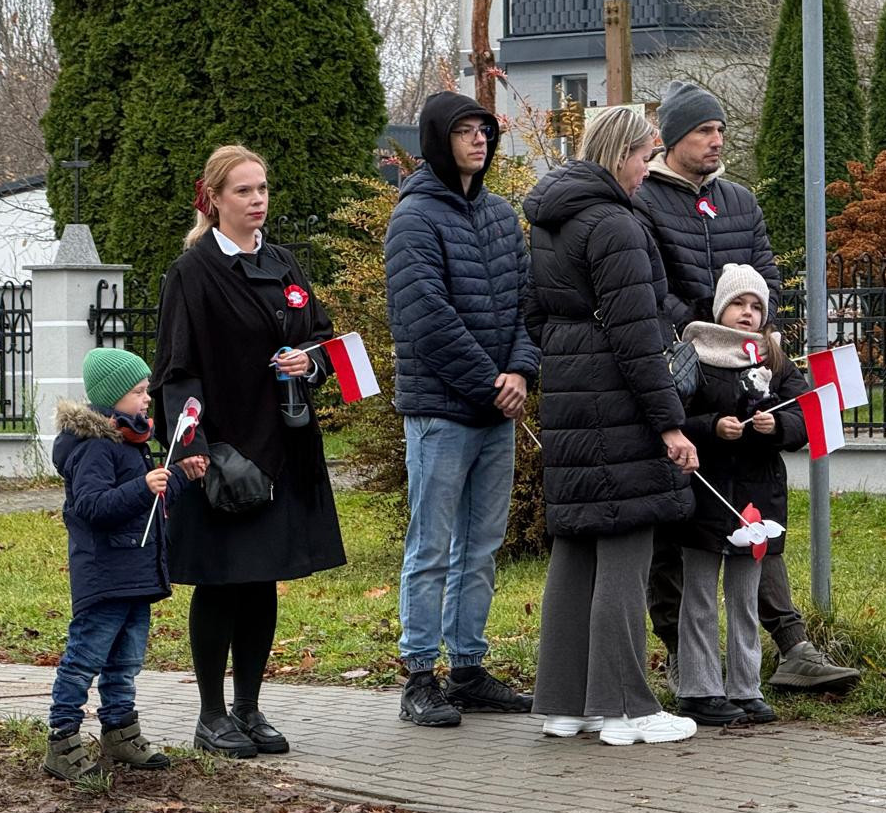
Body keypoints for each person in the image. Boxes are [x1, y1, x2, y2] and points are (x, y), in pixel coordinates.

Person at [635, 80, 859, 693]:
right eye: (703, 131)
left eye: (720, 130)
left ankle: (791, 646)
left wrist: (757, 333)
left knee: (755, 510)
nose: (716, 140)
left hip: (750, 374)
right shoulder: (645, 202)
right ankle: (683, 650)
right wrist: (702, 335)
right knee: (680, 520)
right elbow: (651, 290)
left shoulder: (739, 201)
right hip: (681, 372)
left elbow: (767, 276)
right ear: (673, 138)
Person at [150, 144, 346, 759]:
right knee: (222, 582)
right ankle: (211, 716)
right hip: (226, 454)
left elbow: (321, 334)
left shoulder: (285, 263)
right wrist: (192, 445)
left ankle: (250, 708)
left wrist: (308, 360)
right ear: (213, 200)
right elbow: (176, 371)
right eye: (243, 191)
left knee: (262, 581)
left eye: (262, 189)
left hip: (285, 445)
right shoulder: (192, 273)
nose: (257, 201)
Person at [524, 104, 701, 747]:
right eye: (645, 155)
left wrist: (575, 357)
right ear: (620, 153)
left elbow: (535, 317)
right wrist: (670, 425)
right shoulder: (619, 226)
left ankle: (564, 703)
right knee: (626, 549)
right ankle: (624, 706)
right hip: (619, 404)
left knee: (575, 551)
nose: (648, 169)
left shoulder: (549, 221)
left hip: (570, 399)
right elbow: (637, 338)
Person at [383, 91, 541, 727]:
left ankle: (468, 669)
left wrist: (522, 372)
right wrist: (490, 382)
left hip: (495, 412)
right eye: (465, 131)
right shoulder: (414, 220)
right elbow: (425, 318)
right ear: (436, 140)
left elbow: (528, 307)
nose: (479, 139)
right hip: (442, 413)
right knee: (432, 548)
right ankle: (419, 675)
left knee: (481, 546)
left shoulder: (502, 216)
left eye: (485, 130)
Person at [45, 348, 208, 781]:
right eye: (138, 391)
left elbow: (150, 507)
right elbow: (91, 506)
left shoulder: (133, 440)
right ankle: (62, 739)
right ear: (111, 397)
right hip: (105, 575)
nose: (147, 398)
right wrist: (142, 485)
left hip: (136, 573)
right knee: (85, 658)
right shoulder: (97, 446)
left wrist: (178, 477)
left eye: (145, 390)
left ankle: (120, 730)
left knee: (126, 662)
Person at [669, 265, 808, 726]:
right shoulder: (693, 353)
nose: (747, 314)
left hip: (756, 499)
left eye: (755, 307)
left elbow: (803, 418)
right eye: (738, 304)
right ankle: (699, 688)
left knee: (745, 597)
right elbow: (672, 415)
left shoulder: (776, 359)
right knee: (700, 596)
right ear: (719, 309)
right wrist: (711, 427)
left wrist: (778, 426)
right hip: (705, 492)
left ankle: (746, 688)